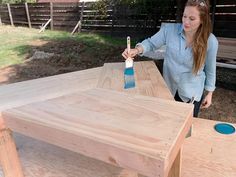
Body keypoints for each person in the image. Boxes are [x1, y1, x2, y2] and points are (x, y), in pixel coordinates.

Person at [122, 0, 218, 117]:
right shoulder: (169, 30)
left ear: (202, 20)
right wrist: (136, 50)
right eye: (184, 16)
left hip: (191, 93)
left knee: (185, 130)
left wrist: (209, 93)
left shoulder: (211, 41)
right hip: (168, 88)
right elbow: (151, 43)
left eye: (192, 19)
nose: (186, 22)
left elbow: (210, 70)